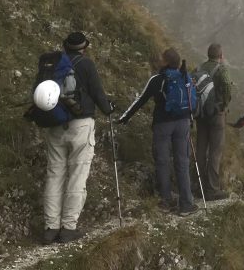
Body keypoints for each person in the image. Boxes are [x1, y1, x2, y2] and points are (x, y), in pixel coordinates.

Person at [42, 32, 114, 245]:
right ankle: (68, 228)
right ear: (84, 48)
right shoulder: (86, 65)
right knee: (77, 176)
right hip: (81, 125)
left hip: (55, 124)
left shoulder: (53, 63)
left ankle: (50, 228)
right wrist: (108, 109)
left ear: (65, 46)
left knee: (54, 175)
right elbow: (98, 93)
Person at [116, 48, 198, 215]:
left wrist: (123, 118)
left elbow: (141, 100)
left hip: (163, 124)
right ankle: (186, 204)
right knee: (182, 162)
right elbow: (192, 100)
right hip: (183, 123)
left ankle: (166, 202)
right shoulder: (185, 76)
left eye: (162, 58)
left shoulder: (157, 80)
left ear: (166, 62)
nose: (159, 59)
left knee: (163, 161)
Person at [196, 43, 233, 200]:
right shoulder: (222, 70)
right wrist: (224, 104)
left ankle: (197, 184)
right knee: (215, 151)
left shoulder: (199, 68)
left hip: (201, 113)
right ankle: (211, 189)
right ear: (221, 55)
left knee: (200, 148)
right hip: (217, 115)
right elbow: (226, 86)